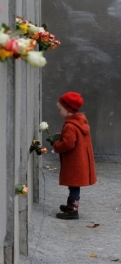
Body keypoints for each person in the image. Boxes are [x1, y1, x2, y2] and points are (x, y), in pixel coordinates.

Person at [50, 92, 97, 220]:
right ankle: (71, 207)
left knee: (74, 185)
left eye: (60, 109)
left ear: (68, 110)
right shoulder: (80, 122)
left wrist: (56, 145)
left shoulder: (71, 125)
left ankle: (73, 210)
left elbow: (68, 144)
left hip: (75, 162)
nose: (59, 112)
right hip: (80, 161)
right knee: (74, 185)